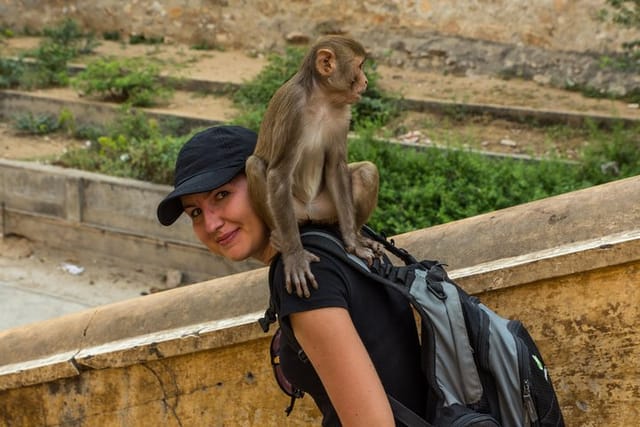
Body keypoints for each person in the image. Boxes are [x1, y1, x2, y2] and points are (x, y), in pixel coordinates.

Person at [157, 125, 426, 426]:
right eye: (194, 212)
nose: (211, 224)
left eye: (222, 195)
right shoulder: (330, 239)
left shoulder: (303, 272)